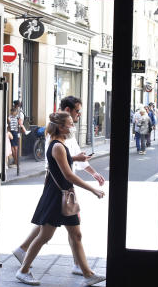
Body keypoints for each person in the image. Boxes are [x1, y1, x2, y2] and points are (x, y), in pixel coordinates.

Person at [13, 96, 106, 275]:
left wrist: (85, 167)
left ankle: (84, 270)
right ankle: (23, 267)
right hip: (59, 190)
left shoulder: (61, 139)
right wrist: (92, 188)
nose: (76, 120)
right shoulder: (57, 142)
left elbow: (70, 156)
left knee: (69, 232)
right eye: (76, 113)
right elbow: (65, 166)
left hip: (65, 190)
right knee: (45, 233)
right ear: (66, 114)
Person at [6, 101, 26, 167]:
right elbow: (20, 124)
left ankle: (15, 162)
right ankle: (16, 161)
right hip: (16, 132)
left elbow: (8, 125)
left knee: (13, 147)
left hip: (12, 132)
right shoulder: (17, 117)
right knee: (16, 147)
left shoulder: (9, 118)